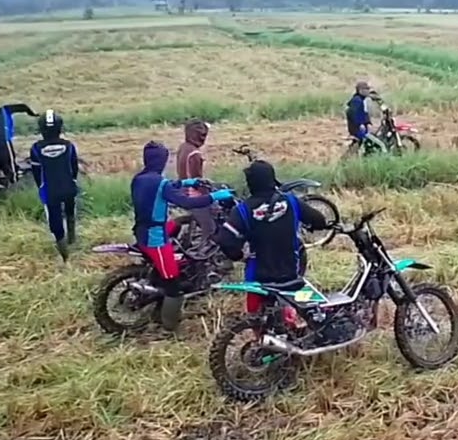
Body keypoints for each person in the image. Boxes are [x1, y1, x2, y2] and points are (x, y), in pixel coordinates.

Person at [131, 141, 235, 330]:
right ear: (162, 161)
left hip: (140, 230)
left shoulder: (140, 178)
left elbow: (168, 187)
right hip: (155, 238)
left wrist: (187, 182)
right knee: (174, 287)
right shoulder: (160, 183)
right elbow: (186, 203)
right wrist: (215, 196)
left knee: (177, 226)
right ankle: (170, 327)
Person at [214, 159, 331, 324]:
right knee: (289, 315)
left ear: (250, 183)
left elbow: (225, 240)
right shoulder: (291, 201)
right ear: (272, 180)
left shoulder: (243, 210)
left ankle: (260, 341)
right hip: (290, 273)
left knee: (255, 320)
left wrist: (238, 255)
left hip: (258, 277)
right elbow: (319, 220)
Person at [28, 109, 79, 262]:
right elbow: (74, 167)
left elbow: (36, 172)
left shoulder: (36, 148)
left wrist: (40, 187)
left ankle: (65, 255)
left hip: (50, 191)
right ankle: (72, 238)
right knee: (70, 211)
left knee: (55, 220)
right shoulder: (69, 146)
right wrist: (73, 181)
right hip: (69, 186)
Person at [175, 119, 217, 256]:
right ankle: (201, 256)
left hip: (182, 191)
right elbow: (198, 182)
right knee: (210, 228)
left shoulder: (183, 147)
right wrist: (211, 196)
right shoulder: (195, 155)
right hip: (194, 196)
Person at [0, 103, 38, 184]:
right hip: (1, 140)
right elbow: (23, 106)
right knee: (10, 164)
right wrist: (33, 114)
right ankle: (14, 185)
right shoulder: (5, 109)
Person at [345, 80, 384, 154]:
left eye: (368, 89)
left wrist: (367, 122)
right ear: (360, 90)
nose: (368, 91)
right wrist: (360, 124)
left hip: (358, 129)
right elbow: (354, 114)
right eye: (366, 89)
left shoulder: (360, 100)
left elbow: (363, 114)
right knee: (381, 145)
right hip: (358, 130)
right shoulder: (357, 101)